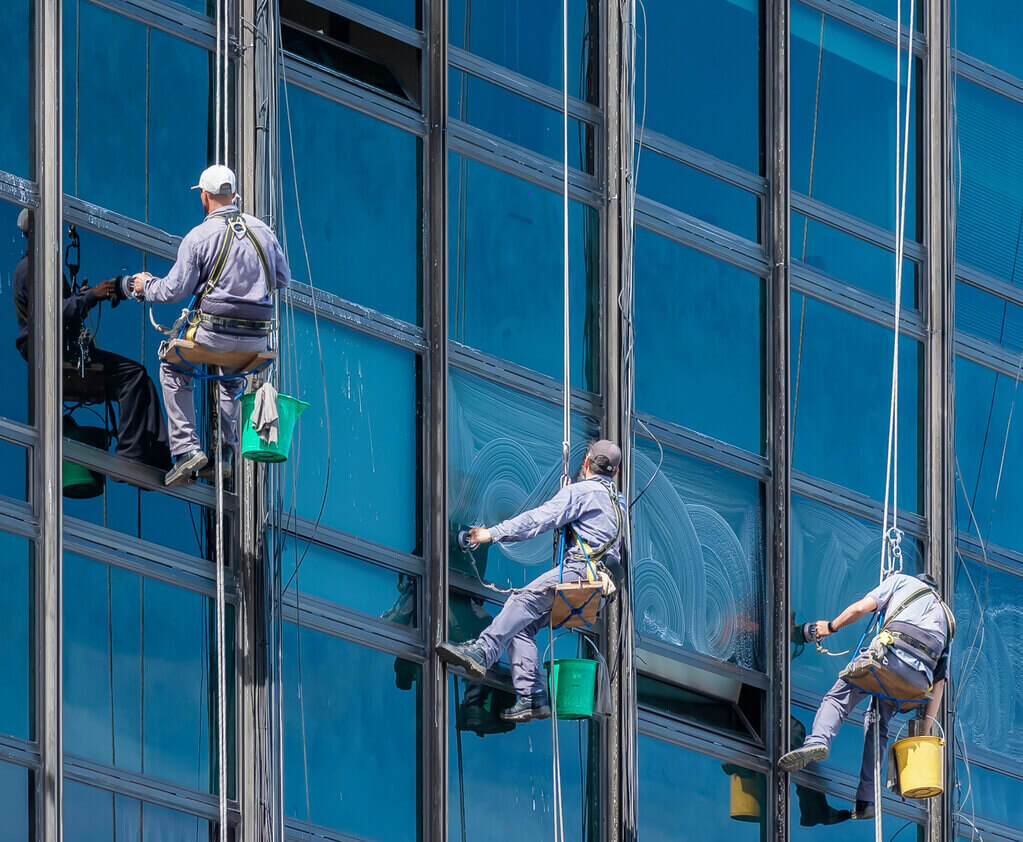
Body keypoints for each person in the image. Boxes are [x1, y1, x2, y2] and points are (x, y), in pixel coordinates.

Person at [436, 439, 626, 723]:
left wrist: (491, 534)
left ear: (586, 463)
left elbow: (538, 520)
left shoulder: (582, 492)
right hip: (597, 592)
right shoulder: (619, 503)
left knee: (520, 601)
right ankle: (533, 695)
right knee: (522, 626)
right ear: (615, 472)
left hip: (579, 573)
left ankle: (482, 652)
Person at [128, 165, 291, 486]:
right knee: (231, 380)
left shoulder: (198, 238)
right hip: (255, 341)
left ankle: (188, 449)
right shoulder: (263, 232)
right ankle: (227, 451)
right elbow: (283, 279)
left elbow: (172, 291)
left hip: (214, 334)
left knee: (173, 370)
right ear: (234, 194)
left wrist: (143, 286)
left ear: (204, 197)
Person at [778, 572, 954, 820]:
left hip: (889, 659)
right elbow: (939, 682)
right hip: (915, 682)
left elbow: (861, 608)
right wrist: (925, 732)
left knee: (838, 698)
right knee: (877, 725)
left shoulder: (901, 581)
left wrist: (830, 627)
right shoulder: (947, 618)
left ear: (919, 581)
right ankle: (866, 801)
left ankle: (818, 741)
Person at [12, 209, 172, 470]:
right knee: (133, 376)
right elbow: (51, 313)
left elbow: (59, 308)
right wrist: (92, 296)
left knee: (136, 376)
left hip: (57, 350)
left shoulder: (39, 265)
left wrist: (84, 296)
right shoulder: (31, 267)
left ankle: (153, 454)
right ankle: (133, 455)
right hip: (53, 353)